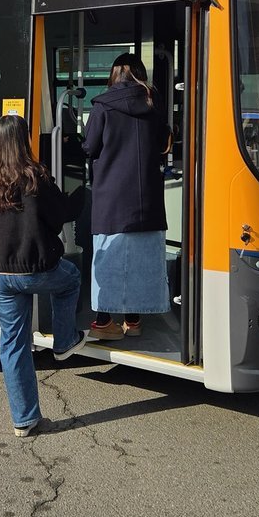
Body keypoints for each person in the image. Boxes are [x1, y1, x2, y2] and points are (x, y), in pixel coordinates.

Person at [0, 114, 89, 437]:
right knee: (71, 279)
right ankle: (64, 341)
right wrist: (82, 192)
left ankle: (24, 421)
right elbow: (62, 213)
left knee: (13, 343)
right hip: (35, 270)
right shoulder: (34, 177)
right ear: (23, 140)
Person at [82, 53, 170, 340]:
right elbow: (162, 143)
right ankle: (133, 321)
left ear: (113, 74)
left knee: (110, 256)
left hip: (111, 196)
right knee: (140, 259)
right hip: (147, 198)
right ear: (140, 74)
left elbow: (90, 146)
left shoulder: (102, 105)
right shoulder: (153, 104)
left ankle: (104, 321)